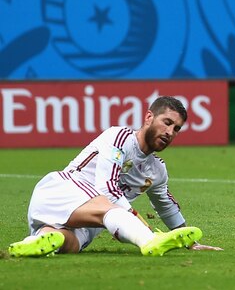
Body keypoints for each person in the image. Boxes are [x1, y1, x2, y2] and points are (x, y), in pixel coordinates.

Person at [8, 96, 220, 257]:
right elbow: (106, 188)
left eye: (176, 129)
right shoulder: (119, 137)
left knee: (68, 243)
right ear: (148, 117)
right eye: (166, 122)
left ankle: (34, 242)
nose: (170, 132)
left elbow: (166, 205)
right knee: (110, 206)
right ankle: (148, 242)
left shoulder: (157, 170)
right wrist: (140, 224)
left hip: (85, 220)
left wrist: (190, 243)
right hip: (61, 192)